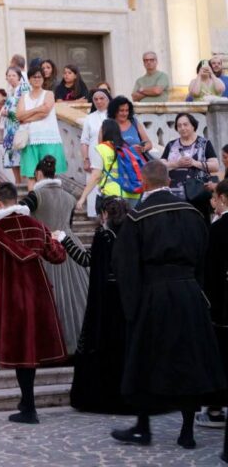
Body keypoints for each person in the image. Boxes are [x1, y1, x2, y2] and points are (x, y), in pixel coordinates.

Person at [110, 160, 225, 449]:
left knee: (144, 359)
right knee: (190, 359)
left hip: (153, 295)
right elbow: (204, 256)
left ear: (144, 183)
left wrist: (131, 305)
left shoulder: (138, 217)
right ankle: (187, 431)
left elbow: (125, 266)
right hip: (189, 293)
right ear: (169, 181)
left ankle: (143, 426)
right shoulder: (192, 214)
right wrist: (197, 290)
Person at [0, 182, 68, 423]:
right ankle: (26, 404)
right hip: (37, 295)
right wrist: (58, 240)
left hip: (8, 298)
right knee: (30, 349)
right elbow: (57, 257)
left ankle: (28, 407)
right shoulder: (37, 227)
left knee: (21, 351)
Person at [54, 197, 132, 414]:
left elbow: (86, 259)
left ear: (105, 214)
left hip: (106, 301)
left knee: (104, 345)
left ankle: (102, 396)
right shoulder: (131, 234)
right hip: (127, 300)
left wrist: (64, 240)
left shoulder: (104, 236)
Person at [20, 156, 89, 355]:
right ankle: (75, 345)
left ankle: (48, 348)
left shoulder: (36, 195)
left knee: (47, 297)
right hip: (70, 247)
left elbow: (20, 215)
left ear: (39, 175)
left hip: (45, 248)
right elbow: (70, 226)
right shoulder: (69, 197)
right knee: (76, 298)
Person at [202, 180, 228, 430]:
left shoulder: (218, 229)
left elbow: (209, 271)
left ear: (222, 198)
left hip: (222, 308)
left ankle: (216, 408)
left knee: (220, 358)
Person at [161, 112, 219, 222]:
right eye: (179, 125)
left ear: (193, 126)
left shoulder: (204, 143)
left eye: (185, 124)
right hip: (174, 197)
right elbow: (160, 165)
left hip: (197, 195)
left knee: (199, 227)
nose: (182, 128)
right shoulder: (171, 145)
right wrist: (176, 164)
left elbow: (215, 166)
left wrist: (194, 163)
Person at [16, 67, 67, 190]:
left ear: (43, 79)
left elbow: (45, 112)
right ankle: (32, 203)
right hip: (29, 139)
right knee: (31, 174)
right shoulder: (24, 97)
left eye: (39, 77)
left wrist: (27, 116)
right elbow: (19, 115)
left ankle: (50, 200)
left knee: (50, 174)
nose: (37, 79)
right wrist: (37, 109)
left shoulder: (48, 94)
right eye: (34, 77)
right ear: (29, 79)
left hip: (48, 137)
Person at [77, 119, 142, 212]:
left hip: (113, 195)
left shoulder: (101, 149)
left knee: (111, 225)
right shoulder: (126, 147)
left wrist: (83, 197)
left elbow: (96, 176)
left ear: (103, 132)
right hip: (133, 194)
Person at [81, 89, 112, 218]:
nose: (99, 102)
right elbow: (84, 141)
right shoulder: (90, 118)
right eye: (96, 99)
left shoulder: (114, 116)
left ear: (108, 99)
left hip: (111, 159)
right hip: (94, 158)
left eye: (102, 98)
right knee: (93, 185)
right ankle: (94, 215)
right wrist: (85, 159)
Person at [0, 66, 30, 183]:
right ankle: (17, 182)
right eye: (9, 76)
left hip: (19, 126)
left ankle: (24, 181)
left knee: (20, 153)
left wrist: (10, 112)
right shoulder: (10, 90)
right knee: (12, 155)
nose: (11, 78)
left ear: (19, 77)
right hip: (9, 127)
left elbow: (27, 106)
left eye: (13, 75)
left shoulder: (23, 88)